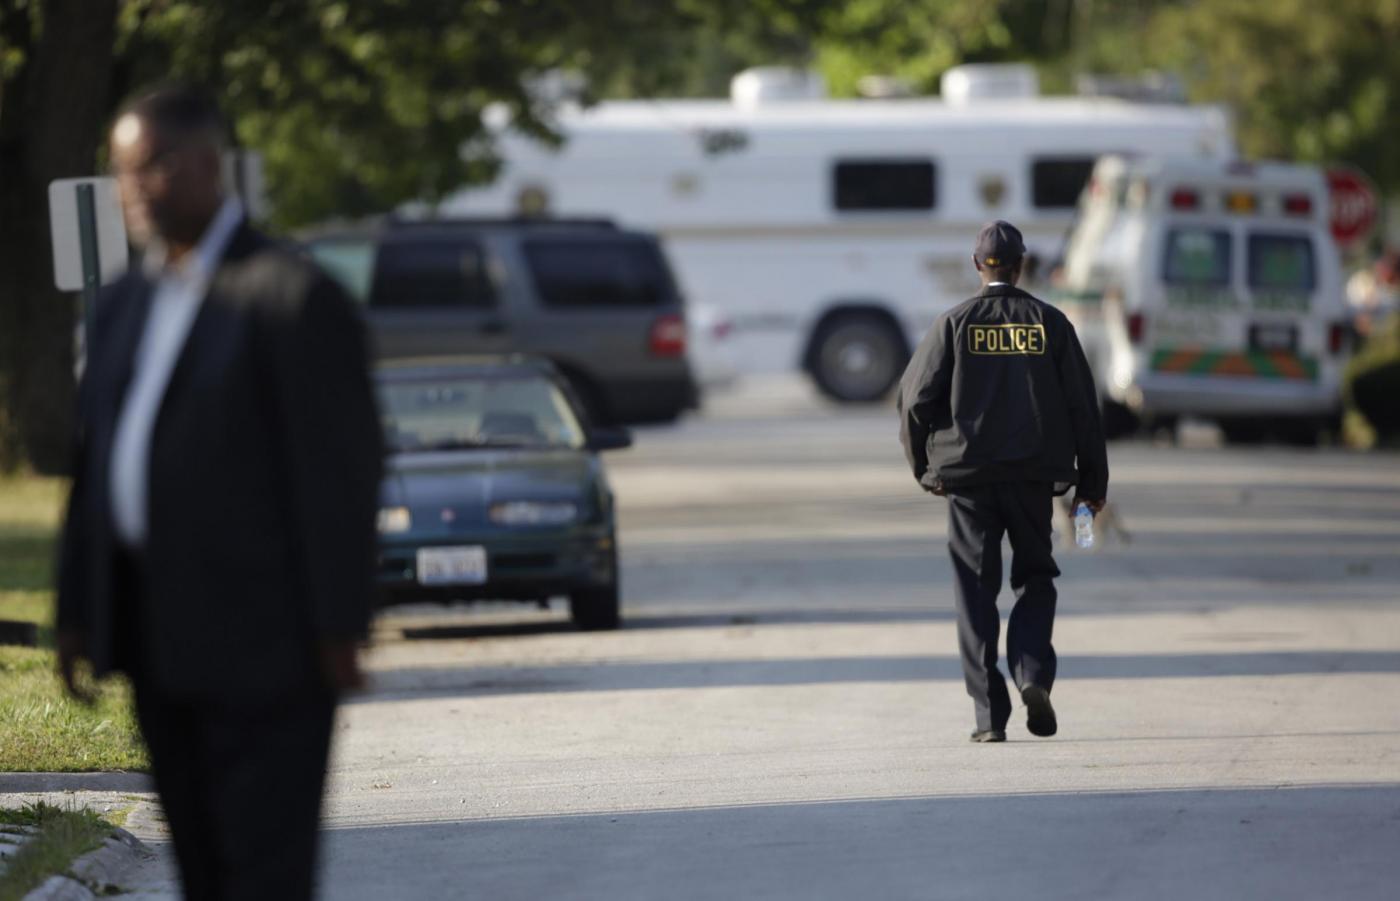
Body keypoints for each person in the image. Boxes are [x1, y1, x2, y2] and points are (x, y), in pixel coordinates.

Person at [55, 85, 383, 898]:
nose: (131, 188)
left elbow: (340, 469)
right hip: (157, 639)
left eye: (149, 167)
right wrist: (78, 608)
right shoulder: (124, 304)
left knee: (264, 871)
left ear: (207, 163)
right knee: (202, 867)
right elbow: (95, 468)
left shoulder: (290, 295)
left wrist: (340, 625)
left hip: (270, 644)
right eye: (120, 171)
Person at [897, 220, 1108, 743]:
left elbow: (915, 401)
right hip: (1034, 478)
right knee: (1035, 577)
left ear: (977, 265)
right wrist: (1091, 487)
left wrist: (924, 468)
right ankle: (1032, 674)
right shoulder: (1051, 323)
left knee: (975, 592)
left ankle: (990, 717)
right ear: (1022, 265)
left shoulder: (953, 323)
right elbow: (1084, 409)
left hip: (968, 481)